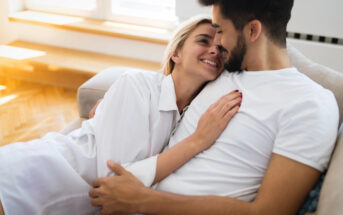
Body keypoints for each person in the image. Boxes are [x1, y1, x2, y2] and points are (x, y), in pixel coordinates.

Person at [88, 0, 339, 214]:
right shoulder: (220, 74)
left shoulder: (310, 104)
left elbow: (268, 211)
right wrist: (119, 105)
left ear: (253, 31)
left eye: (220, 30)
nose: (218, 43)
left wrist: (142, 199)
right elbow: (166, 87)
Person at [0, 16, 242, 215]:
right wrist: (198, 141)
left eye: (221, 48)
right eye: (203, 40)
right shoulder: (137, 84)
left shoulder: (192, 114)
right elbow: (112, 184)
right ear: (176, 53)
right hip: (28, 178)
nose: (214, 50)